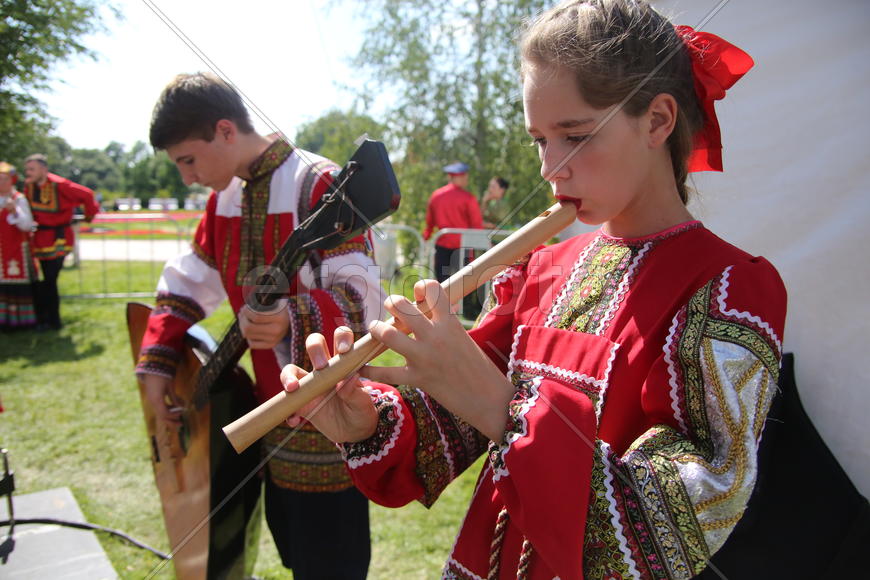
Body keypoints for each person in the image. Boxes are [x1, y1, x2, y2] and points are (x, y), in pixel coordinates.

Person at [280, 1, 786, 578]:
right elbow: (454, 422)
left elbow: (683, 519)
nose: (551, 168)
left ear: (657, 121)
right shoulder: (539, 269)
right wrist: (367, 421)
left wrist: (505, 412)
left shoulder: (727, 287)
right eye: (540, 140)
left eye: (575, 135)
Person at [135, 72, 381, 578]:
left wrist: (290, 318)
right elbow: (187, 283)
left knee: (331, 562)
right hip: (267, 418)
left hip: (329, 419)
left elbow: (364, 300)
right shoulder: (224, 198)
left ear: (225, 130)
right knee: (293, 548)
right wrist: (156, 363)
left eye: (188, 160)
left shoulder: (317, 183)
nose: (187, 177)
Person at [22, 153, 99, 330]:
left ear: (43, 169)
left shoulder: (60, 185)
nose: (28, 173)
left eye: (32, 169)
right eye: (27, 169)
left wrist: (88, 216)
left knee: (50, 278)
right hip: (40, 238)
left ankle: (51, 321)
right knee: (46, 279)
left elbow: (87, 194)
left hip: (59, 238)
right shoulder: (29, 186)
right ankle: (45, 319)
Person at [422, 162, 483, 283]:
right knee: (464, 283)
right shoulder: (468, 198)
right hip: (462, 247)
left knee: (442, 281)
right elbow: (476, 225)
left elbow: (430, 222)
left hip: (442, 246)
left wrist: (426, 237)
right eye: (465, 176)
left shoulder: (436, 196)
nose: (467, 179)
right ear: (458, 177)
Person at [0, 162, 38, 330]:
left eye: (5, 179)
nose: (1, 183)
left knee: (16, 282)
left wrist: (14, 211)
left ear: (12, 180)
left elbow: (27, 225)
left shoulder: (19, 199)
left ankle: (21, 322)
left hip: (16, 249)